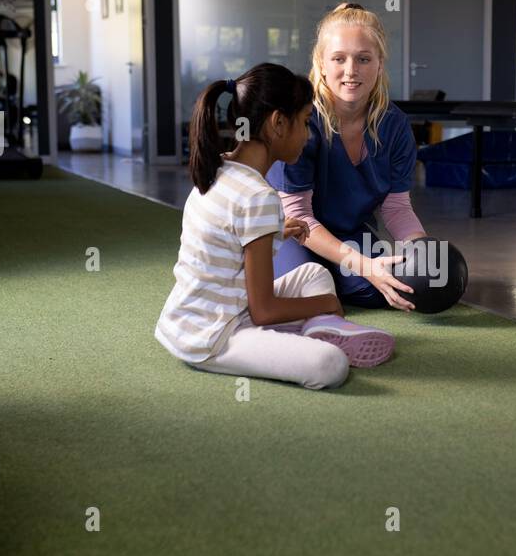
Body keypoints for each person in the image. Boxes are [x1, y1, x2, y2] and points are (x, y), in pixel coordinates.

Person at [155, 63, 395, 390]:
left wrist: (275, 232)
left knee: (315, 274)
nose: (308, 135)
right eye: (305, 122)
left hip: (190, 317)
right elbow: (264, 310)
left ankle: (313, 329)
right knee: (330, 364)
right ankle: (319, 327)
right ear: (278, 124)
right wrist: (326, 304)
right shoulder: (258, 196)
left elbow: (222, 235)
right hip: (215, 336)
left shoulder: (219, 167)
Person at [268, 2, 430, 311]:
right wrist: (363, 265)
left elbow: (396, 207)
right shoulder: (299, 122)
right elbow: (298, 216)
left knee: (395, 286)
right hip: (289, 233)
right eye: (339, 59)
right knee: (306, 286)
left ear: (380, 64)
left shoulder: (394, 125)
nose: (351, 71)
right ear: (321, 62)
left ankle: (337, 277)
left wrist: (420, 253)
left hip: (348, 233)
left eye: (364, 59)